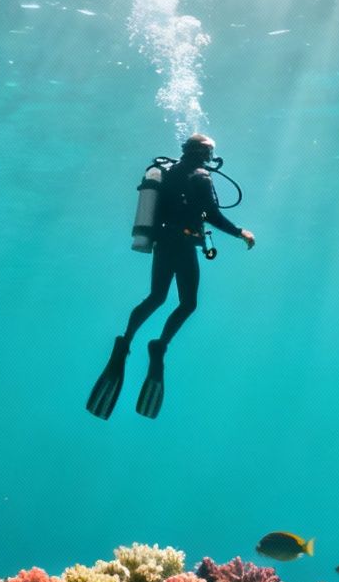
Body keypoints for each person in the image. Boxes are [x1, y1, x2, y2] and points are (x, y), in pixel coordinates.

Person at [87, 133, 255, 420]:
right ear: (205, 153)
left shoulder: (168, 171)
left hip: (163, 241)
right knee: (188, 304)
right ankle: (159, 346)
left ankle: (125, 342)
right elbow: (212, 214)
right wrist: (240, 232)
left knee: (156, 296)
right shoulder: (201, 176)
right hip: (183, 243)